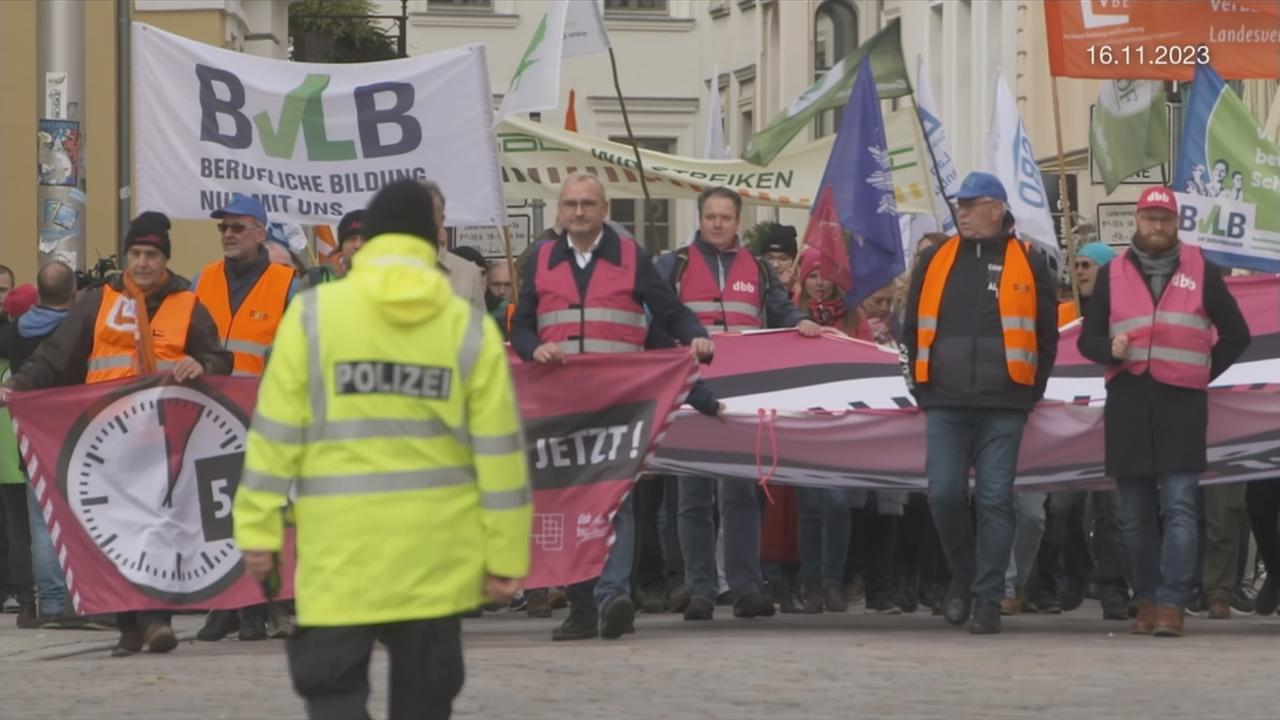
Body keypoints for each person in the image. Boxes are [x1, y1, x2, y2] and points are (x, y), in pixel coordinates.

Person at [233, 179, 531, 720]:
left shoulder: (313, 317)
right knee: (424, 702)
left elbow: (272, 438)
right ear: (433, 240)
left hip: (339, 559)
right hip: (437, 561)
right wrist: (507, 556)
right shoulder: (468, 330)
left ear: (368, 236)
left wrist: (257, 531)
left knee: (333, 696)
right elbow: (501, 457)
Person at [2, 211, 234, 655]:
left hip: (166, 443)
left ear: (165, 259)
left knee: (161, 529)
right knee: (118, 532)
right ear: (126, 255)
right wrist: (16, 386)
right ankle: (131, 625)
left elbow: (219, 358)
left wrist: (202, 364)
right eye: (135, 253)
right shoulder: (96, 300)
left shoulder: (189, 303)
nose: (142, 262)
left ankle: (154, 620)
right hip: (107, 440)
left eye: (151, 254)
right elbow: (57, 355)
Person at [510, 172, 711, 642]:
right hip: (561, 402)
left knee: (615, 497)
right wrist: (533, 348)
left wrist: (696, 334)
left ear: (605, 210)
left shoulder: (631, 258)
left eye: (588, 204)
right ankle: (582, 608)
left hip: (618, 402)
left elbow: (670, 311)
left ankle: (613, 597)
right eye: (570, 204)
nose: (578, 212)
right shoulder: (539, 259)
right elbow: (519, 327)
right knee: (570, 502)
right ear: (559, 211)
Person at [1077, 186, 1250, 637]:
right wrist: (1108, 350)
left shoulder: (1202, 271)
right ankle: (1148, 597)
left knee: (1178, 506)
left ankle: (1173, 602)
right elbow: (1086, 339)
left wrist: (1201, 371)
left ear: (1176, 223)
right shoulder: (1113, 273)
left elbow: (1236, 334)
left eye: (1165, 219)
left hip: (1181, 404)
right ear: (1137, 220)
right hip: (1129, 401)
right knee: (1134, 513)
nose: (1157, 226)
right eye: (1150, 218)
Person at [902, 172, 1059, 634]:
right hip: (945, 400)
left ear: (998, 208)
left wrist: (1032, 391)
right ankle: (964, 575)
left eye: (971, 205)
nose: (962, 212)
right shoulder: (935, 258)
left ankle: (988, 598)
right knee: (944, 495)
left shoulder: (1030, 260)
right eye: (959, 205)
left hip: (1005, 401)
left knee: (995, 500)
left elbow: (1046, 336)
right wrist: (922, 385)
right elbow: (911, 327)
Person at [654, 186, 820, 622]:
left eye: (725, 217)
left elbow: (781, 310)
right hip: (690, 390)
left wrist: (801, 321)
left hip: (745, 393)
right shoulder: (675, 265)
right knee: (692, 496)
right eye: (710, 216)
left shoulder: (759, 270)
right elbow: (658, 318)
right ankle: (701, 589)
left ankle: (746, 588)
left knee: (741, 492)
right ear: (700, 217)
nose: (717, 224)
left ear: (738, 221)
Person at [189, 193, 299, 642]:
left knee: (263, 511)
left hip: (265, 413)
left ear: (260, 231)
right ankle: (226, 603)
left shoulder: (286, 282)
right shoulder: (204, 278)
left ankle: (262, 604)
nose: (228, 235)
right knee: (217, 513)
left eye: (237, 227)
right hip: (212, 416)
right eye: (223, 228)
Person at [2, 266, 80, 629]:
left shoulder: (16, 333)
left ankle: (49, 604)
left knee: (39, 524)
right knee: (75, 522)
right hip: (75, 434)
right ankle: (73, 601)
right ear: (73, 290)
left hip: (30, 435)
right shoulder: (78, 329)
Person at [421, 185, 487, 312]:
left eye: (428, 214)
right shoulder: (382, 269)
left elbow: (479, 328)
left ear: (441, 220)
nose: (420, 221)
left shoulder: (468, 273)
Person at [1058, 242, 1116, 326]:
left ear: (1106, 270)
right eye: (1076, 266)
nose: (1079, 271)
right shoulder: (1062, 311)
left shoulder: (1122, 310)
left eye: (1085, 265)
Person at [757, 223, 799, 294]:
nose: (775, 265)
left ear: (794, 261)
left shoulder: (805, 291)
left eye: (783, 259)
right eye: (769, 258)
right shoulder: (751, 286)